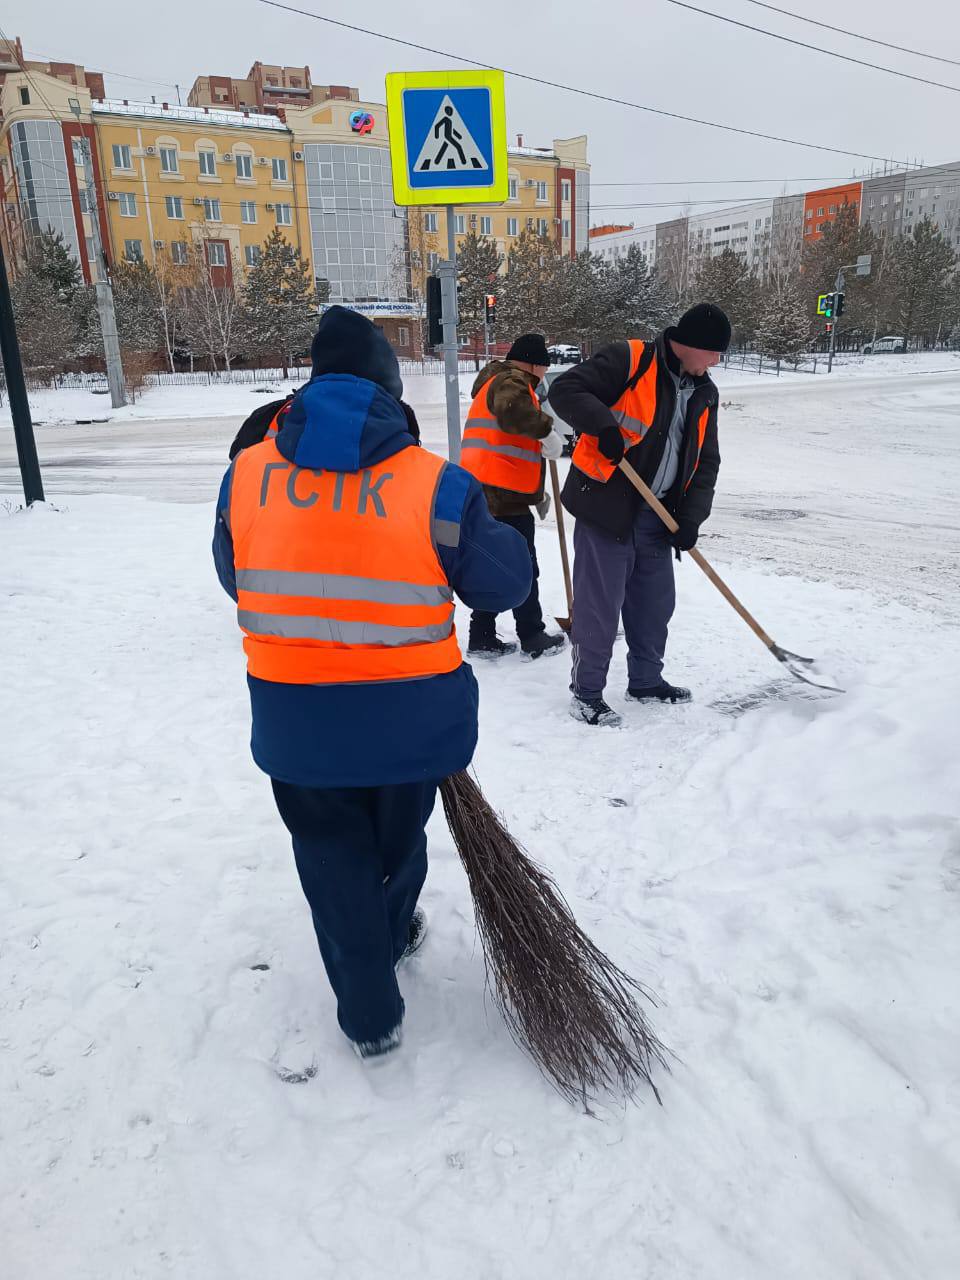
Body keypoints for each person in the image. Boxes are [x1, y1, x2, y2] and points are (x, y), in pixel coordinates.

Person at [212, 306, 532, 1058]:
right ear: (391, 392)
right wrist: (510, 538)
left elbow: (236, 577)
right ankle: (390, 929)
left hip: (297, 720)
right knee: (399, 838)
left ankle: (369, 1013)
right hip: (410, 720)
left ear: (310, 385)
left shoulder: (247, 475)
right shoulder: (435, 484)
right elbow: (500, 589)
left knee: (329, 855)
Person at [549, 303, 729, 727]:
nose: (718, 361)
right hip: (607, 509)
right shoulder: (632, 359)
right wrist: (603, 426)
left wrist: (690, 520)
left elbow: (706, 462)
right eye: (715, 352)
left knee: (654, 605)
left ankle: (646, 681)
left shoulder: (705, 392)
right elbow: (566, 390)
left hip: (658, 516)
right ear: (691, 345)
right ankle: (587, 693)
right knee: (599, 608)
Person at [459, 332, 568, 661]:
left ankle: (481, 636)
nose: (543, 377)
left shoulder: (493, 382)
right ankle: (532, 635)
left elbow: (508, 444)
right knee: (523, 566)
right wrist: (548, 430)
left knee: (491, 564)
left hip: (488, 492)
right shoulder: (511, 381)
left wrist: (537, 493)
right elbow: (513, 412)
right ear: (534, 365)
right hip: (501, 495)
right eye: (544, 370)